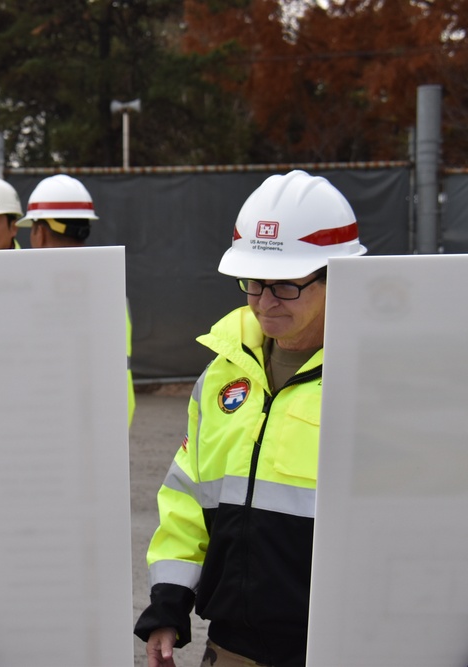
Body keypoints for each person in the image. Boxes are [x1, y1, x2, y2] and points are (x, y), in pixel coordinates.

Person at [133, 170, 367, 667]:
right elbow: (187, 495)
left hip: (337, 647)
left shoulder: (373, 380)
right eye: (253, 282)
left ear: (337, 276)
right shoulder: (222, 375)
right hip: (232, 646)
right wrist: (169, 603)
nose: (264, 301)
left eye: (285, 286)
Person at [17, 173, 135, 425]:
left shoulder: (32, 288)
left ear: (39, 232)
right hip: (111, 418)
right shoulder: (108, 286)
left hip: (45, 423)